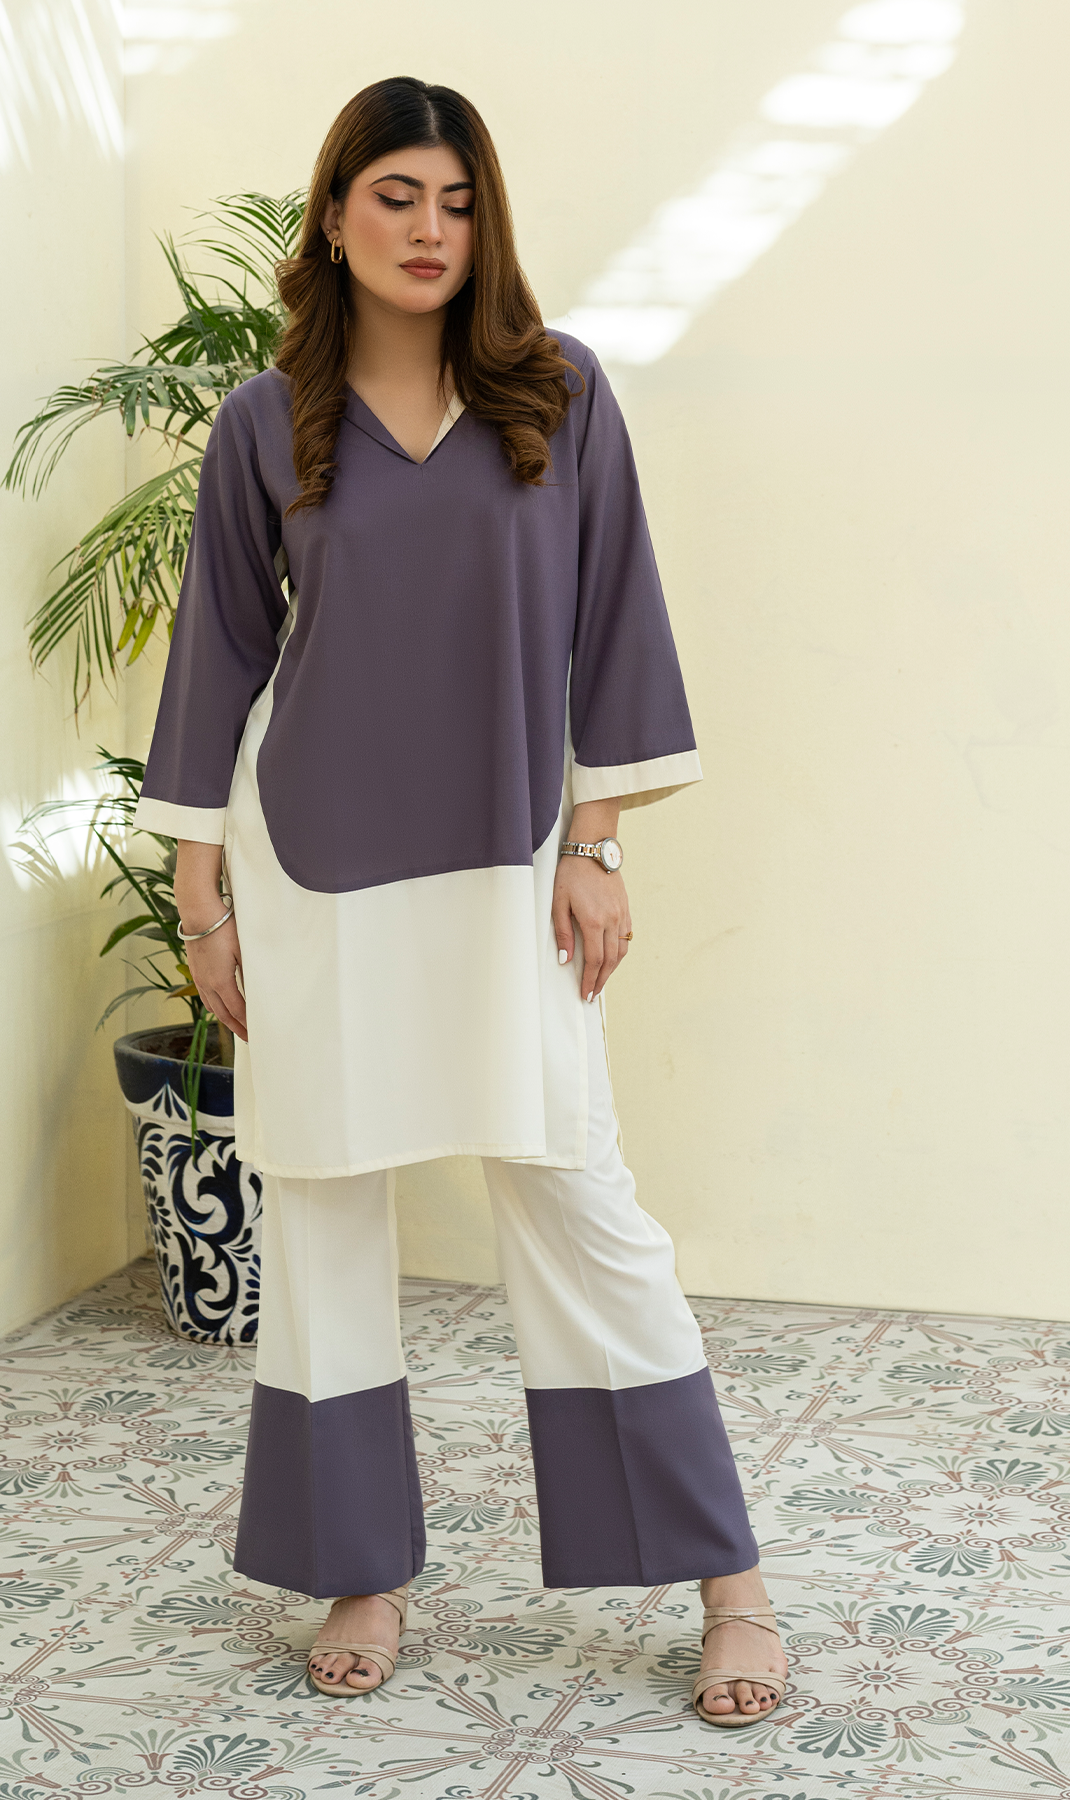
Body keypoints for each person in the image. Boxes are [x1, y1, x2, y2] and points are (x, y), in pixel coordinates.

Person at [132, 75, 788, 1726]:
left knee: (577, 1196)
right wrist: (202, 901)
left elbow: (614, 618)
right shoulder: (264, 419)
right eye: (396, 195)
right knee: (324, 1211)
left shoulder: (556, 394)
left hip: (508, 863)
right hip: (311, 869)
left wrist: (597, 845)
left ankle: (728, 1580)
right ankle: (361, 1568)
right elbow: (219, 651)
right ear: (333, 214)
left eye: (457, 199)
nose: (430, 229)